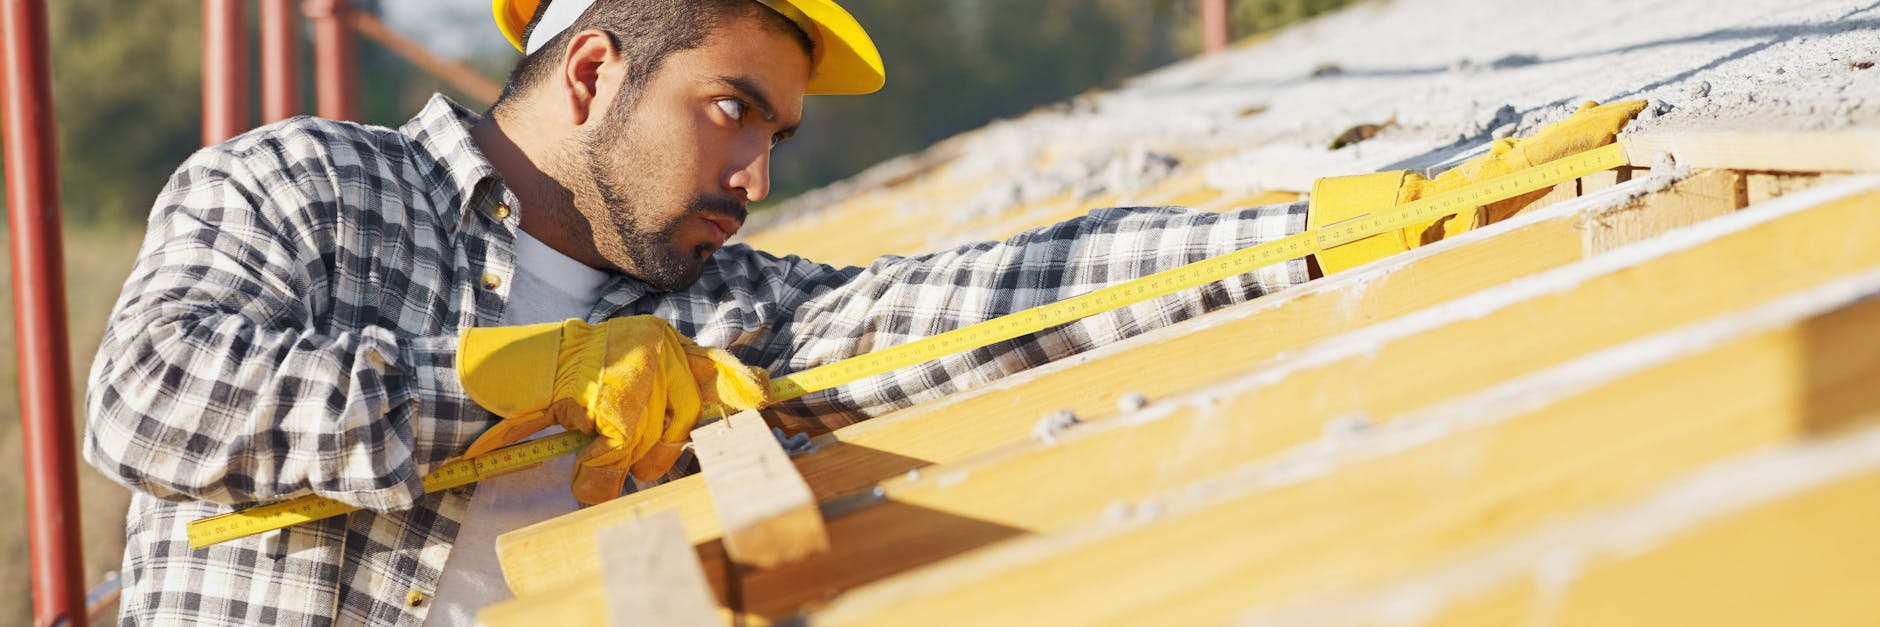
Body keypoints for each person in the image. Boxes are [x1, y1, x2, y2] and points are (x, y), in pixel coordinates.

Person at [82, 0, 1642, 624]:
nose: (756, 173)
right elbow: (148, 404)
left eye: (778, 137)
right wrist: (514, 377)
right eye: (733, 110)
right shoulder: (308, 187)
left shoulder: (716, 321)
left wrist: (1326, 230)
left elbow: (983, 294)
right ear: (589, 70)